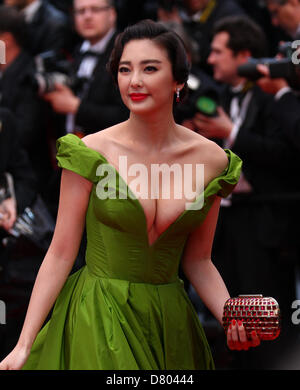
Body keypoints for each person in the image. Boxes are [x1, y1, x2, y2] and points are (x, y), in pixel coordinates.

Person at [0, 20, 260, 371]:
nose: (134, 80)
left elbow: (199, 261)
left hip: (169, 322)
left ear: (178, 81)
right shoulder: (89, 152)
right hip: (98, 314)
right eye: (125, 69)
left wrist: (231, 315)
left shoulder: (212, 160)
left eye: (149, 68)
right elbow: (61, 252)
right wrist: (24, 343)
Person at [43, 0, 129, 136]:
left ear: (112, 14)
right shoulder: (76, 50)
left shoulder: (126, 53)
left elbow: (127, 115)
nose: (87, 16)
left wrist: (76, 107)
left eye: (95, 9)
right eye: (81, 11)